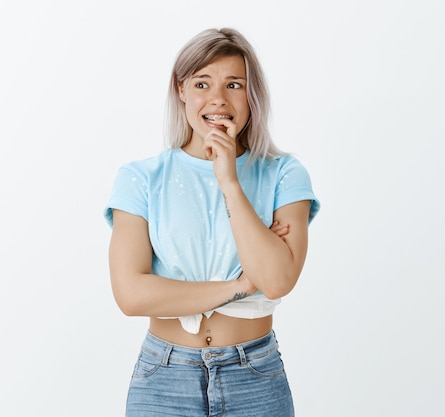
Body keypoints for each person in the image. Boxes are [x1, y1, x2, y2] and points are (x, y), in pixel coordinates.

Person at [104, 27, 320, 417]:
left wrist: (229, 182)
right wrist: (241, 284)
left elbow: (276, 280)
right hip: (163, 380)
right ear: (181, 89)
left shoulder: (284, 174)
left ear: (251, 96)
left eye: (234, 84)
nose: (218, 99)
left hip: (254, 377)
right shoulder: (140, 178)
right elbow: (132, 295)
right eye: (202, 83)